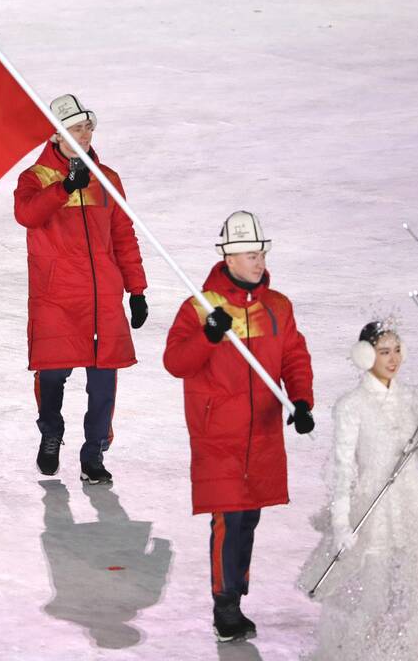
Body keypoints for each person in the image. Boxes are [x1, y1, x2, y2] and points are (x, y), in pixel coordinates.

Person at [162, 210, 314, 642]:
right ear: (227, 258)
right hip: (219, 435)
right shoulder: (200, 307)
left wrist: (301, 400)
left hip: (263, 433)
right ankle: (225, 604)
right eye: (248, 254)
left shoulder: (278, 306)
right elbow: (176, 363)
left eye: (260, 252)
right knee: (228, 520)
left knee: (248, 518)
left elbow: (294, 358)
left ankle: (234, 594)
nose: (258, 261)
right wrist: (208, 336)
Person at [298, 321, 418, 660]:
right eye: (383, 351)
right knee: (373, 592)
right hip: (374, 509)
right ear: (365, 356)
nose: (392, 359)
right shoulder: (352, 405)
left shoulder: (413, 398)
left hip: (412, 504)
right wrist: (340, 523)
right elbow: (343, 468)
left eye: (396, 350)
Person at [13, 94, 148, 485]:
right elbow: (28, 215)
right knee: (52, 375)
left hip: (103, 296)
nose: (85, 133)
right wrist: (65, 187)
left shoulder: (108, 178)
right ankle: (51, 432)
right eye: (76, 128)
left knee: (104, 380)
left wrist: (136, 289)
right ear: (56, 135)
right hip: (56, 297)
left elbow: (123, 236)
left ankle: (94, 454)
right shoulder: (35, 178)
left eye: (88, 126)